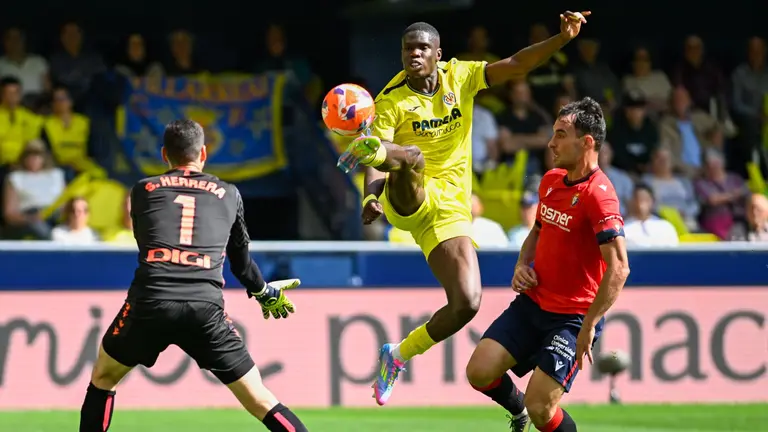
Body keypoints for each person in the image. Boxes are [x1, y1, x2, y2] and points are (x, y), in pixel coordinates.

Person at [337, 11, 591, 410]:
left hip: (451, 207)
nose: (414, 55)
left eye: (422, 48)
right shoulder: (391, 99)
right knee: (410, 157)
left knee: (467, 302)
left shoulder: (461, 76)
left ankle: (398, 354)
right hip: (408, 197)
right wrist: (371, 196)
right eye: (407, 49)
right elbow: (377, 170)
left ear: (439, 54)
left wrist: (560, 38)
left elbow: (518, 63)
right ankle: (376, 147)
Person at [78, 120, 308, 432]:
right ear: (203, 153)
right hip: (205, 309)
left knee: (103, 379)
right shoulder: (229, 194)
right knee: (260, 399)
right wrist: (263, 291)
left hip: (151, 302)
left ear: (164, 155)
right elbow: (241, 265)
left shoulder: (142, 190)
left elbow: (149, 240)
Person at [465, 98, 630, 432]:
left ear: (586, 142)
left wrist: (589, 326)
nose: (551, 142)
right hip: (533, 304)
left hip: (572, 320)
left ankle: (530, 413)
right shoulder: (551, 181)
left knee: (541, 405)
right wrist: (521, 264)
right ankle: (518, 414)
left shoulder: (600, 195)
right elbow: (537, 232)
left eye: (560, 134)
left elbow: (620, 268)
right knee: (479, 371)